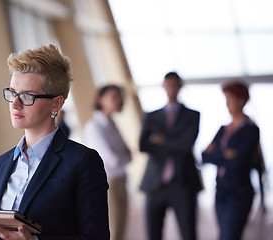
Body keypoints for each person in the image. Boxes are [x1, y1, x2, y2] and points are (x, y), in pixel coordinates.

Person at [0, 45, 110, 240]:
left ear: (56, 103)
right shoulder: (1, 164)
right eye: (13, 93)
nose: (15, 103)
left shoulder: (83, 162)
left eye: (27, 96)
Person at [139, 72, 202, 240]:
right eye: (168, 85)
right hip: (155, 183)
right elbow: (143, 145)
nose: (171, 89)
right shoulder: (151, 116)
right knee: (153, 234)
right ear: (163, 87)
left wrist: (161, 140)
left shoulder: (193, 115)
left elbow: (187, 144)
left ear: (180, 87)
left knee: (188, 233)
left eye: (175, 85)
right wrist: (176, 141)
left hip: (183, 181)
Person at [202, 81, 260, 240]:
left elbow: (239, 161)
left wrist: (217, 155)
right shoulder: (223, 129)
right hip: (221, 190)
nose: (227, 103)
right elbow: (204, 156)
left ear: (242, 100)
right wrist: (225, 154)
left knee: (230, 236)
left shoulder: (251, 129)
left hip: (239, 192)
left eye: (230, 99)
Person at [83, 85, 131, 240]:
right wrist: (124, 154)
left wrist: (124, 155)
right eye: (114, 96)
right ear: (100, 99)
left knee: (122, 226)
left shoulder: (112, 123)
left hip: (121, 178)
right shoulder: (94, 127)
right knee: (113, 228)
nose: (118, 100)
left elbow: (129, 155)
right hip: (108, 182)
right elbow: (112, 159)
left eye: (119, 96)